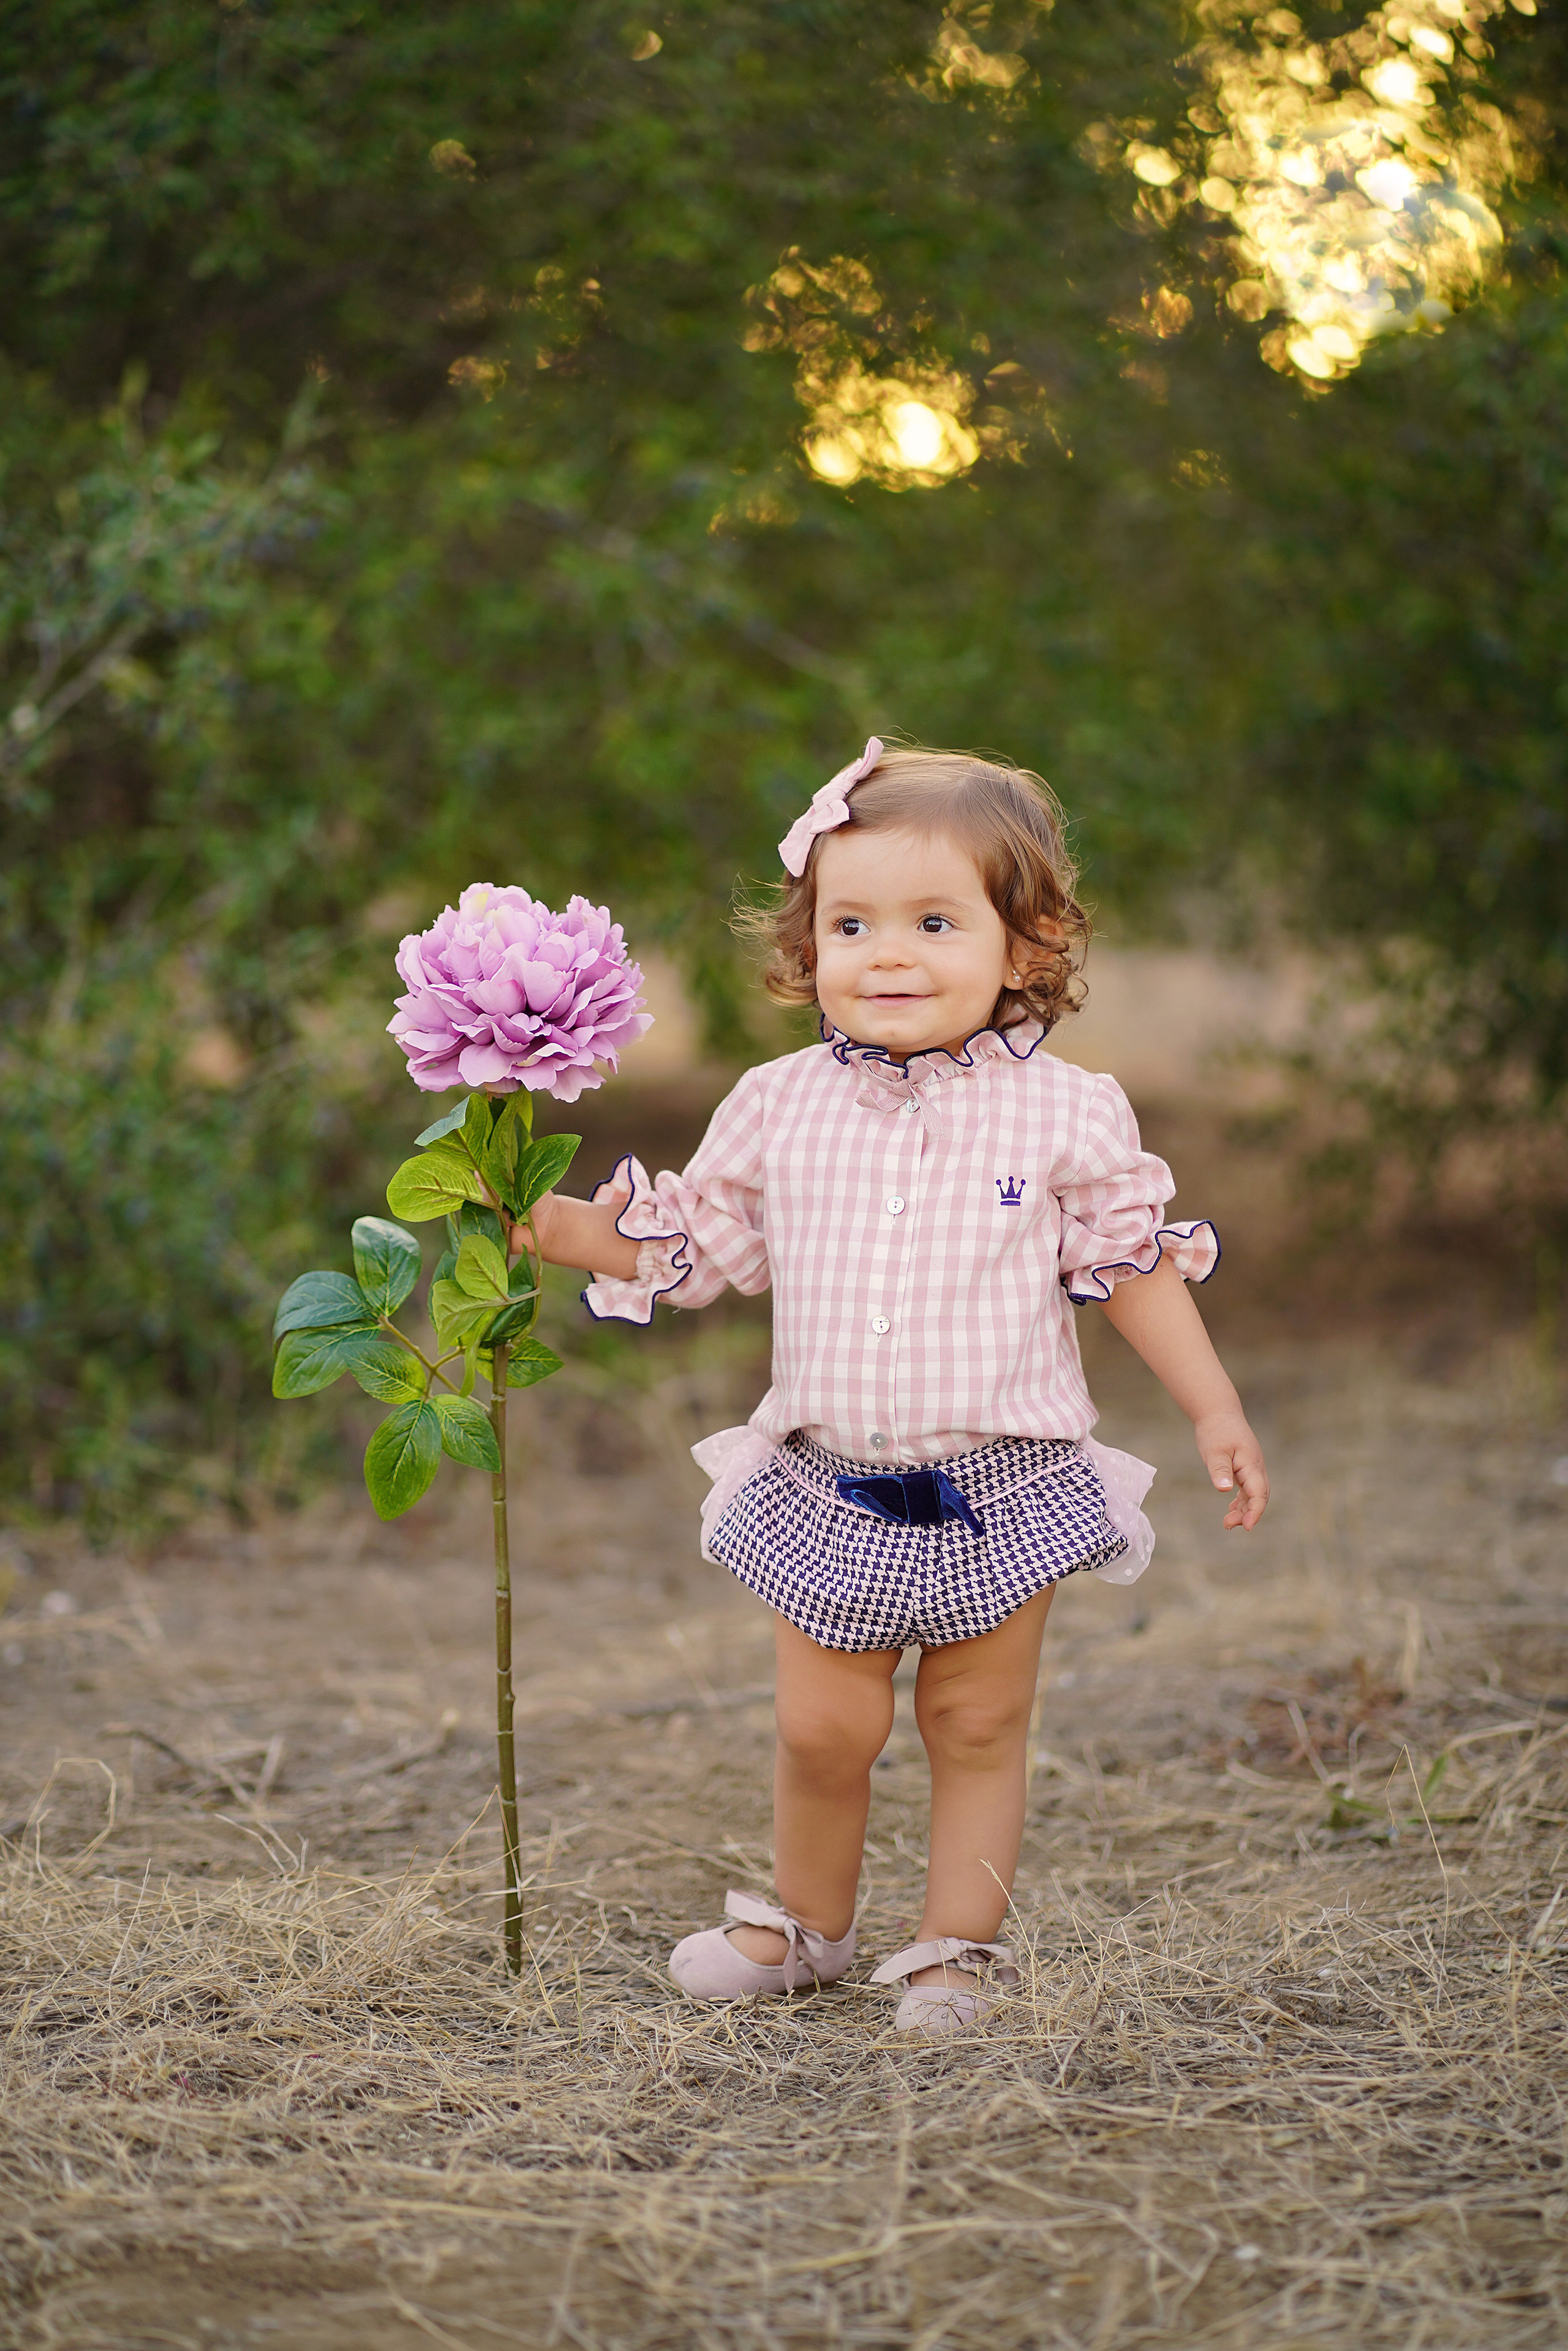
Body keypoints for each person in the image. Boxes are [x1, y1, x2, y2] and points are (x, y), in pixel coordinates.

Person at [521, 741, 1269, 2032]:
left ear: (1022, 947)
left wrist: (1211, 1402)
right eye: (851, 922)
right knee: (820, 1730)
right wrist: (546, 1223)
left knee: (973, 1723)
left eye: (934, 922)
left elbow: (1129, 1267)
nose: (887, 953)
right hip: (828, 1486)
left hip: (1005, 1485)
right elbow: (693, 1244)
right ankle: (805, 1927)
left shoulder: (1065, 1113)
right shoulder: (774, 1104)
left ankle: (954, 1947)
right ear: (806, 947)